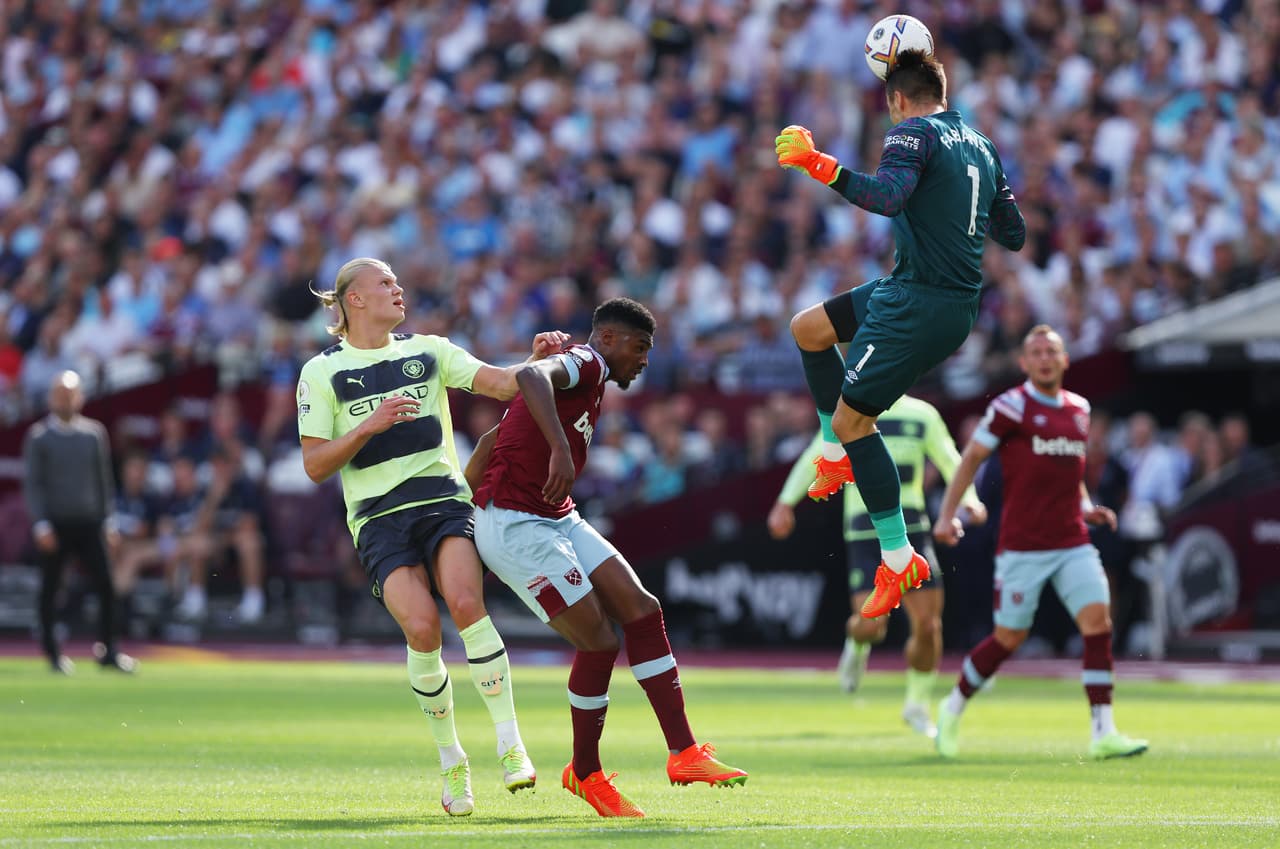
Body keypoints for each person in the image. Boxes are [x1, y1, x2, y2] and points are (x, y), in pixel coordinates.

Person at [297, 257, 564, 817]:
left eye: (397, 281)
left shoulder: (429, 349)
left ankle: (510, 744)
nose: (398, 289)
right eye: (385, 282)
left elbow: (498, 383)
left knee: (467, 603)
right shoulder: (321, 373)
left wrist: (535, 365)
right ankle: (451, 759)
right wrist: (369, 424)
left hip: (443, 501)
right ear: (353, 300)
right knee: (421, 629)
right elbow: (316, 465)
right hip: (377, 517)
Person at [465, 297, 748, 819]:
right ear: (611, 339)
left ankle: (684, 752)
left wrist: (469, 496)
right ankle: (586, 773)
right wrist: (556, 451)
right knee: (599, 642)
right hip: (515, 524)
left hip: (554, 515)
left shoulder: (588, 378)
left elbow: (491, 435)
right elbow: (531, 379)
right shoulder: (588, 361)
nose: (643, 362)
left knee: (642, 609)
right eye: (640, 348)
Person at [775, 48, 1025, 620]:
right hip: (927, 291)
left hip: (921, 301)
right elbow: (1014, 234)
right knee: (809, 329)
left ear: (896, 98)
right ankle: (836, 455)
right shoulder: (982, 146)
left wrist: (819, 164)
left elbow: (886, 199)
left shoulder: (912, 132)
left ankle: (897, 555)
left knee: (852, 419)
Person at [931, 325, 1148, 760]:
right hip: (1023, 546)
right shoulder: (1011, 406)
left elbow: (1071, 473)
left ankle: (1103, 731)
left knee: (1097, 623)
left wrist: (1085, 507)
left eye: (1052, 350)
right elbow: (971, 457)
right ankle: (952, 707)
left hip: (1072, 539)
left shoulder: (1080, 409)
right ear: (1024, 363)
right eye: (1036, 352)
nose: (1045, 357)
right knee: (1008, 637)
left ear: (1065, 360)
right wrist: (946, 515)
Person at [767, 393, 984, 737]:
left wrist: (970, 500)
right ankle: (856, 644)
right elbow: (816, 454)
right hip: (865, 529)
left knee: (928, 626)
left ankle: (916, 704)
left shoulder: (923, 414)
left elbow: (948, 459)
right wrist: (785, 502)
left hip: (913, 527)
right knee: (872, 626)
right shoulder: (852, 409)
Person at [22, 370, 136, 674]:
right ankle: (52, 653)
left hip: (90, 522)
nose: (65, 399)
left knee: (107, 586)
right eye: (60, 393)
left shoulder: (93, 434)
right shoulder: (39, 436)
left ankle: (109, 650)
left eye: (70, 393)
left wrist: (109, 520)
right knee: (51, 589)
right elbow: (33, 485)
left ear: (80, 397)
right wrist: (41, 523)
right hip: (56, 523)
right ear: (51, 398)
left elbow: (104, 482)